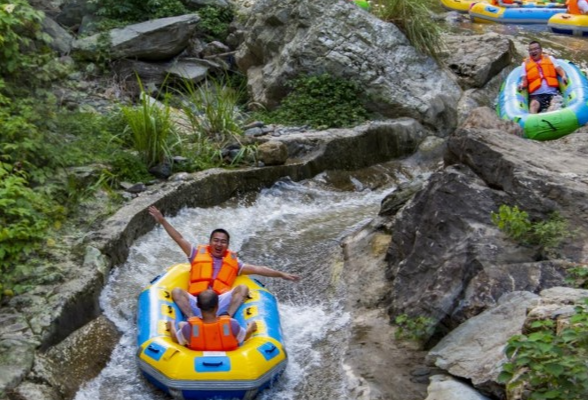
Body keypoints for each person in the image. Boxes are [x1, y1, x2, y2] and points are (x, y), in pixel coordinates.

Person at [148, 206, 300, 319]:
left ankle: (227, 317)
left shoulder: (235, 263)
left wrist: (281, 274)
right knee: (176, 292)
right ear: (210, 242)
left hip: (220, 302)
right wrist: (162, 220)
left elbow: (258, 269)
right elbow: (179, 238)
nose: (219, 244)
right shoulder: (195, 254)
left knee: (242, 288)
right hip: (198, 301)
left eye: (223, 242)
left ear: (227, 245)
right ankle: (192, 318)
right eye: (216, 241)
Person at [167, 289, 258, 351]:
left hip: (194, 360)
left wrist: (171, 326)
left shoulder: (189, 328)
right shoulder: (232, 324)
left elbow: (176, 340)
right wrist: (251, 327)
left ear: (198, 306)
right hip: (230, 360)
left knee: (181, 324)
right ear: (217, 306)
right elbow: (244, 337)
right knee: (182, 325)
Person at [517, 41, 568, 114]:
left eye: (535, 49)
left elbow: (559, 69)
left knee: (554, 105)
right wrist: (521, 85)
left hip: (552, 93)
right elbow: (524, 81)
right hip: (536, 96)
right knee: (533, 105)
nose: (533, 51)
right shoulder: (525, 64)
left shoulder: (550, 58)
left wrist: (563, 76)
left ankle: (550, 117)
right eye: (531, 50)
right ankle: (534, 122)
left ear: (541, 50)